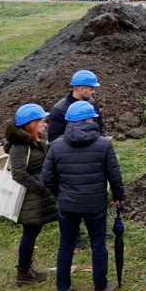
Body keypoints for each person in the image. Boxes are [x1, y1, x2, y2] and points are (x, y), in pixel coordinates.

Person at [41, 100, 125, 291]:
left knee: (66, 244)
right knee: (97, 243)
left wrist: (60, 194)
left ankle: (63, 288)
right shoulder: (104, 145)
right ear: (89, 120)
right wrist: (118, 197)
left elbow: (46, 177)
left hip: (67, 204)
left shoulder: (56, 146)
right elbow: (114, 175)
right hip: (95, 204)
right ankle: (100, 286)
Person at [48, 69, 105, 250]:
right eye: (91, 88)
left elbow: (100, 127)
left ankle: (95, 229)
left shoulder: (92, 104)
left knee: (93, 191)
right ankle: (74, 236)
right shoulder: (60, 109)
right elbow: (53, 138)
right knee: (71, 196)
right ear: (80, 88)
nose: (94, 91)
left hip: (91, 158)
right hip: (70, 162)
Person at [4, 103, 58, 286]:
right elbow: (18, 173)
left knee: (33, 232)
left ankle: (25, 269)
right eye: (42, 121)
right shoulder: (20, 147)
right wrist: (41, 187)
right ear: (31, 124)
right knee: (30, 232)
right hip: (30, 199)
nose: (46, 125)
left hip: (36, 197)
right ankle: (23, 273)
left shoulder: (34, 141)